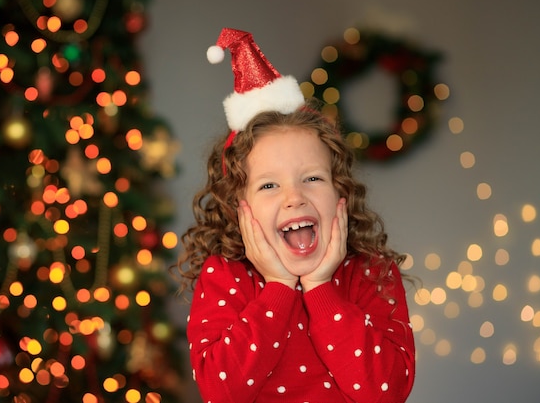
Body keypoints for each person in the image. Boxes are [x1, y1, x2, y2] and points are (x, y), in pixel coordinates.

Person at [172, 28, 415, 403]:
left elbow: (387, 392)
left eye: (312, 178)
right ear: (240, 206)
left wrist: (319, 287)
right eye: (269, 185)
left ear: (341, 193)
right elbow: (221, 392)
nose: (294, 198)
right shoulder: (224, 277)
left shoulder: (371, 273)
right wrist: (278, 287)